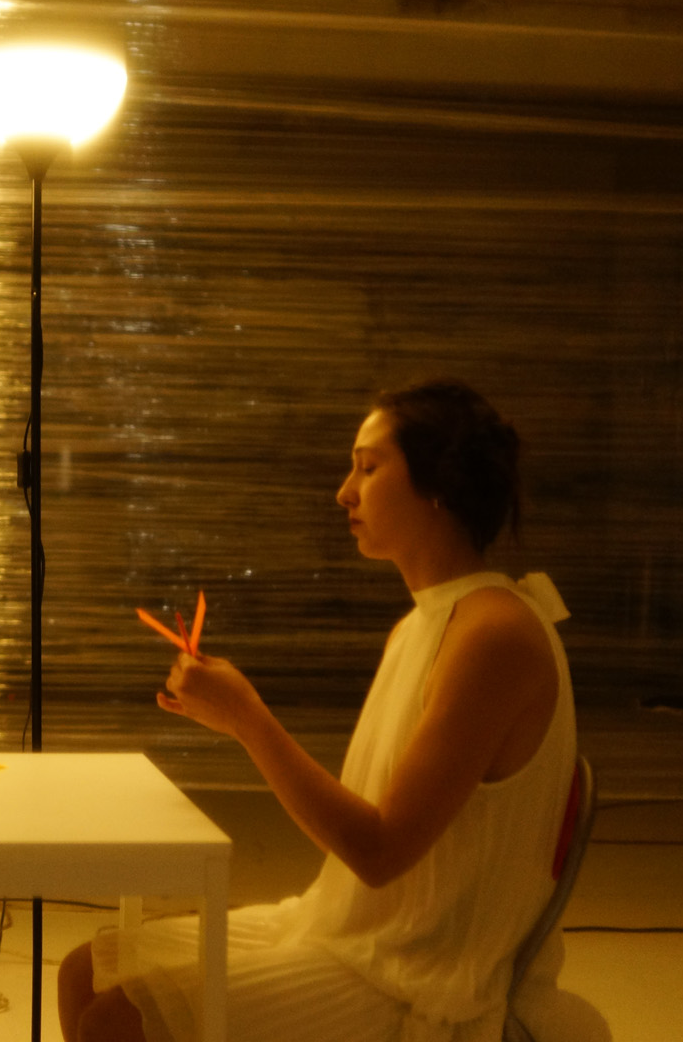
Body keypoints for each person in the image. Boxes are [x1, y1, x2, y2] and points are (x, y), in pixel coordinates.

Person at [58, 379, 607, 1042]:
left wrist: (248, 720)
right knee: (85, 972)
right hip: (339, 927)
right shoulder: (421, 626)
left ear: (440, 484)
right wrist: (236, 718)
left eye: (368, 468)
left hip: (419, 975)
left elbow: (377, 851)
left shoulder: (493, 633)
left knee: (117, 1022)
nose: (344, 492)